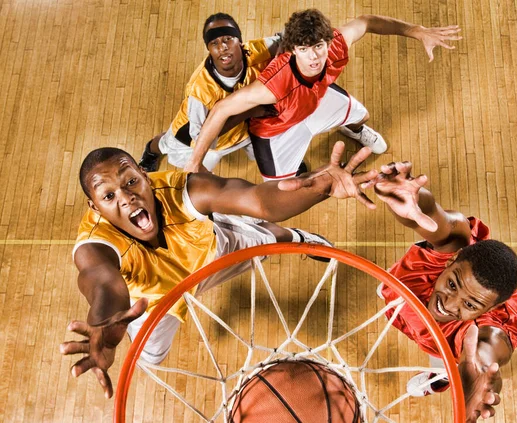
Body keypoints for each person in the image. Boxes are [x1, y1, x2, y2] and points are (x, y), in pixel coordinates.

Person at [60, 142, 378, 399]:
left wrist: (320, 187)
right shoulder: (94, 247)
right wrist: (105, 330)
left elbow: (261, 200)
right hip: (157, 301)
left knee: (270, 238)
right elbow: (105, 287)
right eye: (109, 195)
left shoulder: (186, 190)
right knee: (150, 357)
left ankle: (296, 237)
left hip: (211, 256)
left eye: (131, 181)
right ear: (94, 207)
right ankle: (234, 222)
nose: (127, 197)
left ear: (145, 176)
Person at [184, 9, 462, 179]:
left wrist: (416, 31)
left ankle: (353, 131)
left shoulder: (338, 44)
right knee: (281, 187)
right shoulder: (274, 83)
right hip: (278, 129)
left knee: (361, 115)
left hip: (315, 102)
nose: (314, 57)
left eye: (318, 46)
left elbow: (366, 22)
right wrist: (195, 162)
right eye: (304, 50)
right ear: (293, 50)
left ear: (328, 41)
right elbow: (221, 109)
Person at [366, 161, 517, 422]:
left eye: (470, 305)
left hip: (443, 345)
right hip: (407, 294)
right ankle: (393, 294)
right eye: (452, 284)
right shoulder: (452, 250)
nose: (449, 304)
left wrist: (481, 376)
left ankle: (440, 380)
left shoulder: (485, 334)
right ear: (451, 262)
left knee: (446, 363)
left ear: (489, 311)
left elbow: (486, 353)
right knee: (395, 291)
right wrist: (416, 200)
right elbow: (440, 221)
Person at [138, 13, 281, 172]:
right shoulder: (200, 91)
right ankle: (151, 151)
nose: (222, 47)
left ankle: (287, 165)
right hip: (196, 138)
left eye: (228, 38)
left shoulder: (256, 50)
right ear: (209, 49)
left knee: (271, 150)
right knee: (164, 143)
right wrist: (249, 111)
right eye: (214, 42)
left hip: (246, 130)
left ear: (239, 42)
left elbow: (286, 39)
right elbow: (203, 137)